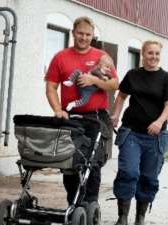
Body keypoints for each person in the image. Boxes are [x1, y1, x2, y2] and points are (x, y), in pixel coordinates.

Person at [45, 16, 119, 205]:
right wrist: (57, 109)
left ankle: (91, 203)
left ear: (92, 35)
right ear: (73, 33)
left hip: (96, 118)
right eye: (80, 33)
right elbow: (51, 87)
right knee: (70, 162)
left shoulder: (101, 57)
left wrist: (94, 81)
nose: (84, 37)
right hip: (71, 118)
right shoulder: (60, 57)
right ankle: (74, 203)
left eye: (88, 34)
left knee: (92, 162)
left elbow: (114, 84)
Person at [110, 40, 168, 225]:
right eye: (150, 53)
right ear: (143, 54)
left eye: (157, 54)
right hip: (131, 132)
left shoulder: (166, 78)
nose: (153, 57)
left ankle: (140, 218)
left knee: (149, 177)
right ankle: (122, 217)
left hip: (155, 137)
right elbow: (122, 95)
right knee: (128, 172)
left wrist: (159, 121)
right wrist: (116, 114)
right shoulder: (133, 74)